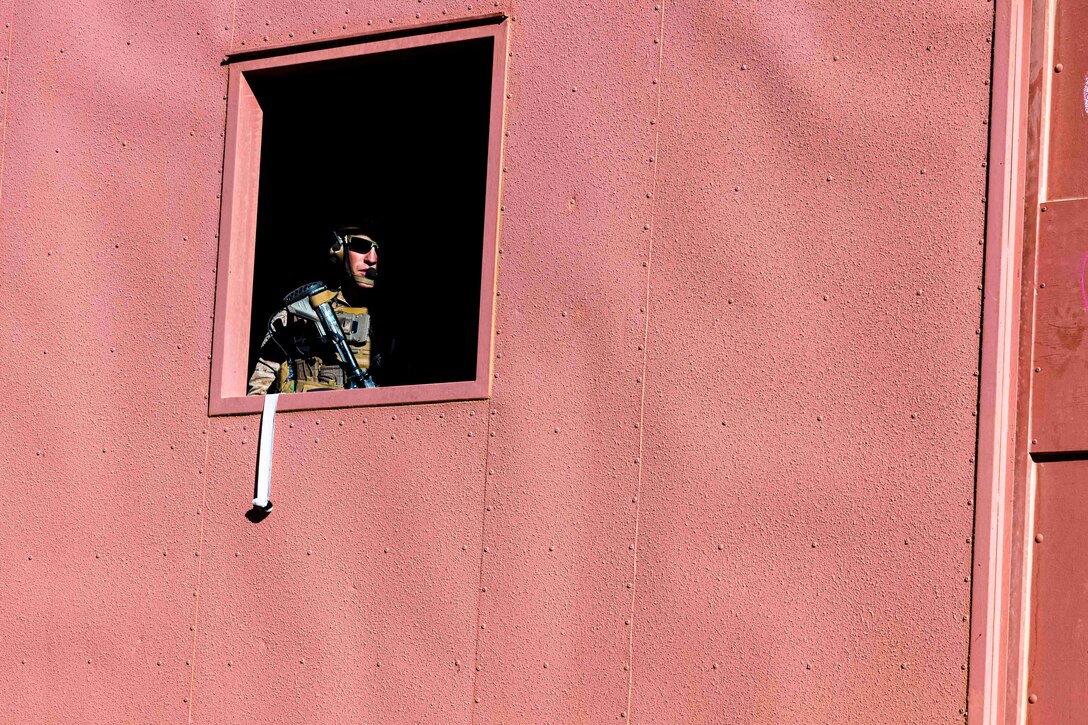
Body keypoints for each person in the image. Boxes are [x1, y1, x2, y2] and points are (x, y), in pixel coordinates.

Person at [247, 226, 388, 394]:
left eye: (377, 250)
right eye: (361, 246)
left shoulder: (385, 320)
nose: (372, 258)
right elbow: (259, 387)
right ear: (339, 250)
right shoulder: (303, 310)